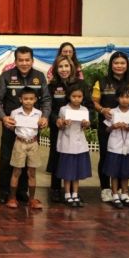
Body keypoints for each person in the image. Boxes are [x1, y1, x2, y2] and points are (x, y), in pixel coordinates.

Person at [0, 46, 51, 205]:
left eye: (27, 60)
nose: (24, 63)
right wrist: (3, 118)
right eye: (21, 60)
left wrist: (45, 117)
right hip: (11, 127)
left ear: (32, 60)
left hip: (31, 129)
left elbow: (46, 100)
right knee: (7, 159)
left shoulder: (39, 77)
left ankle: (22, 191)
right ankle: (5, 192)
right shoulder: (6, 76)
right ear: (15, 61)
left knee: (28, 163)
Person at [91, 51, 129, 203]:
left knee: (124, 157)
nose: (119, 66)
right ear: (111, 65)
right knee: (106, 157)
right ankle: (105, 189)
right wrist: (102, 110)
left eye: (122, 63)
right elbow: (94, 102)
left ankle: (122, 190)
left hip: (128, 129)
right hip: (108, 127)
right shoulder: (102, 82)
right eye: (116, 63)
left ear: (127, 65)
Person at [47, 55, 93, 203]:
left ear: (72, 67)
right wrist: (57, 119)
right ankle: (56, 189)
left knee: (74, 159)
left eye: (66, 66)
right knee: (57, 157)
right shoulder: (52, 86)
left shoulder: (81, 83)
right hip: (58, 127)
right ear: (56, 69)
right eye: (60, 66)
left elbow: (89, 106)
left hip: (77, 129)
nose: (64, 69)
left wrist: (88, 121)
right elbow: (49, 107)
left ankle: (74, 191)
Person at [102, 85, 129, 209]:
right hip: (115, 146)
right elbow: (107, 129)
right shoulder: (112, 112)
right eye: (122, 97)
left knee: (126, 172)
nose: (124, 100)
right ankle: (115, 195)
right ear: (117, 98)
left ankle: (124, 194)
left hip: (128, 147)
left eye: (127, 97)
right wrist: (113, 127)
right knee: (114, 172)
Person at [5, 87, 43, 210]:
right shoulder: (15, 113)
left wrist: (42, 125)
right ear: (20, 99)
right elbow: (12, 128)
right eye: (25, 99)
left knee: (32, 172)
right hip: (20, 142)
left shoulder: (38, 113)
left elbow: (40, 128)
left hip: (33, 143)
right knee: (16, 171)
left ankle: (31, 199)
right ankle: (12, 198)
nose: (28, 101)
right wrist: (10, 125)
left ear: (35, 99)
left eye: (31, 99)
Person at [55, 82, 93, 207]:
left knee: (76, 171)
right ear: (69, 96)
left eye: (79, 96)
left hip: (79, 144)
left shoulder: (84, 110)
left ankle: (75, 194)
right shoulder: (63, 109)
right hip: (67, 143)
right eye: (74, 96)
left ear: (83, 97)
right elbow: (60, 125)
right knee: (67, 172)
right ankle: (67, 194)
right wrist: (64, 123)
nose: (77, 99)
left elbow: (85, 127)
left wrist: (86, 124)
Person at [1, 42, 84, 80]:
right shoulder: (53, 68)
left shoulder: (77, 69)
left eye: (70, 51)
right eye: (65, 51)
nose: (68, 54)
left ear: (32, 61)